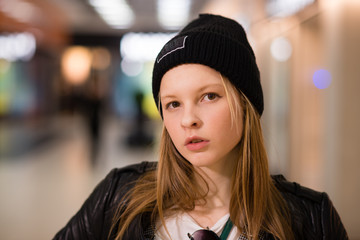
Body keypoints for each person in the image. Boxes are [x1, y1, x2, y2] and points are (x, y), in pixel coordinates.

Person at [53, 14, 348, 240]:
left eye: (209, 96)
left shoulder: (311, 219)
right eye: (173, 104)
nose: (188, 120)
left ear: (245, 105)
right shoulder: (117, 197)